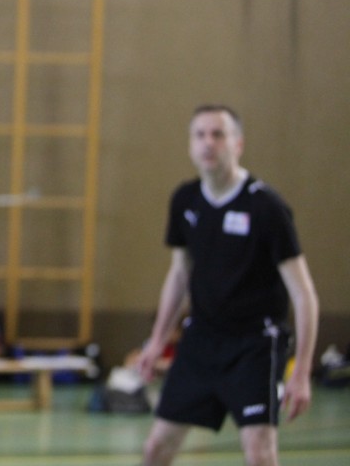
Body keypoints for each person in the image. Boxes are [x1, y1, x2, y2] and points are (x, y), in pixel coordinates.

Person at [137, 105, 319, 466]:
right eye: (200, 135)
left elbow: (304, 295)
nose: (208, 143)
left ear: (238, 144)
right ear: (190, 145)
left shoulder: (266, 206)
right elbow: (179, 274)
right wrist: (157, 340)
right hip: (201, 342)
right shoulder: (185, 200)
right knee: (155, 448)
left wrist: (301, 372)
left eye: (218, 134)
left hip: (254, 346)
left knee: (259, 452)